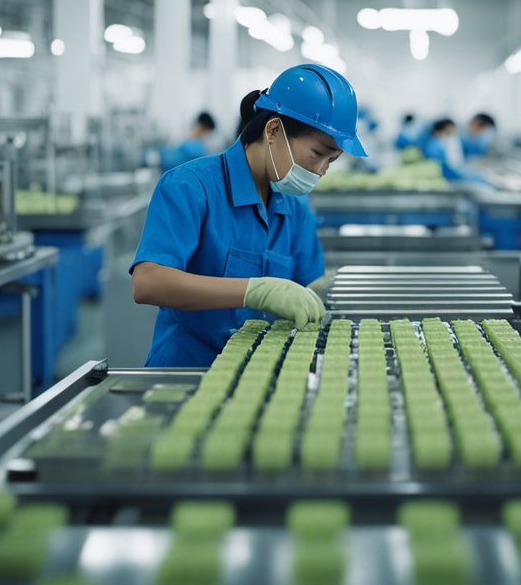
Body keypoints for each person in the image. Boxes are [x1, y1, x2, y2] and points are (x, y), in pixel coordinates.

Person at [131, 63, 366, 366]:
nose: (321, 171)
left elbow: (310, 287)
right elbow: (148, 282)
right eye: (318, 154)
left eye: (331, 161)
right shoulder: (191, 187)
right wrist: (253, 291)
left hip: (265, 376)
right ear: (273, 130)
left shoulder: (295, 206)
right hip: (187, 374)